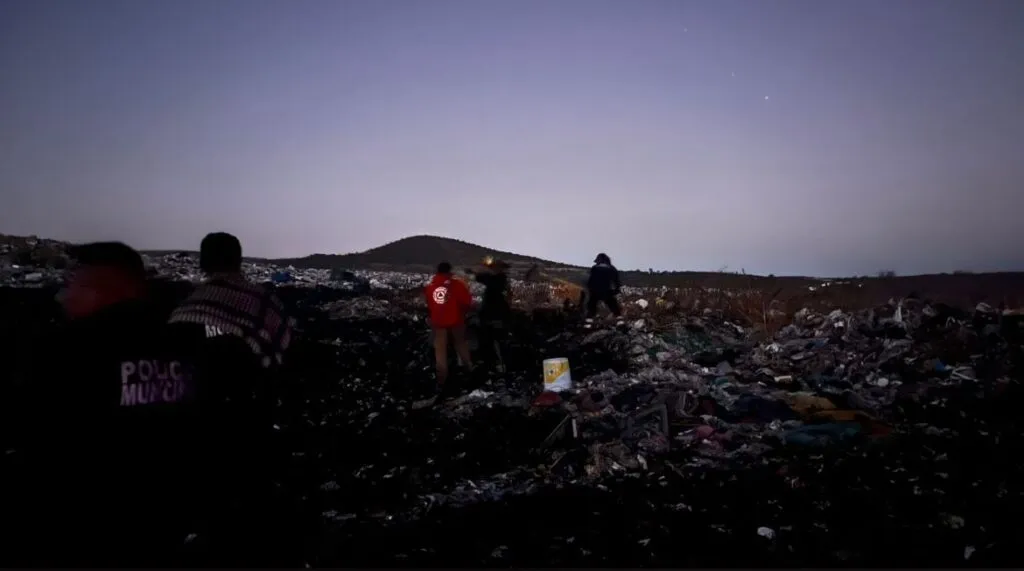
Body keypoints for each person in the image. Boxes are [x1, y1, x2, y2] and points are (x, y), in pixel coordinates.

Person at [7, 242, 204, 566]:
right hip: (168, 523)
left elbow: (36, 439)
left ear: (102, 291)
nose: (62, 296)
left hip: (86, 531)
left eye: (73, 285)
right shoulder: (183, 343)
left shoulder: (68, 351)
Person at [169, 232, 293, 370]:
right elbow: (283, 347)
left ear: (202, 264)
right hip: (254, 385)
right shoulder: (264, 304)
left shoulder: (182, 313)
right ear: (239, 261)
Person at [425, 261, 474, 389]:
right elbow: (467, 302)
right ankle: (469, 370)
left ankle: (442, 379)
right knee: (461, 345)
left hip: (439, 323)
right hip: (456, 321)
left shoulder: (431, 287)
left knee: (440, 351)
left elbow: (430, 305)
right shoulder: (457, 285)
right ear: (449, 271)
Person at [465, 258, 510, 372]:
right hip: (496, 316)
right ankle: (497, 365)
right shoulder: (500, 280)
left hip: (493, 317)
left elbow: (486, 280)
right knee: (494, 342)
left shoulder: (498, 280)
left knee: (492, 342)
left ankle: (497, 365)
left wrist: (475, 273)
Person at [585, 252, 622, 319]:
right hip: (607, 291)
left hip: (595, 291)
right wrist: (615, 291)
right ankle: (620, 320)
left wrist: (590, 290)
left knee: (592, 304)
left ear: (598, 260)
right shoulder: (612, 268)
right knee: (613, 304)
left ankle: (588, 322)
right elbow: (616, 282)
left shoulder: (595, 268)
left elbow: (590, 281)